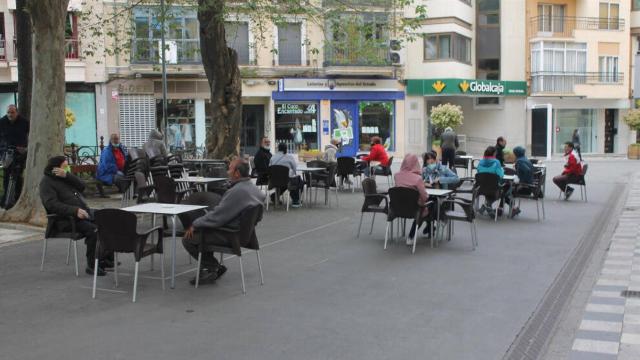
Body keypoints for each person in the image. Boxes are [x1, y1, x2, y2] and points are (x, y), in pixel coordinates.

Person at [182, 159, 266, 285]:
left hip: (231, 235)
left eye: (230, 169)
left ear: (237, 173)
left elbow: (217, 217)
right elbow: (257, 217)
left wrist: (195, 224)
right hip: (246, 234)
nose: (227, 172)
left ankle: (212, 267)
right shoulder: (255, 190)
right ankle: (211, 268)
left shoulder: (236, 191)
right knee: (205, 228)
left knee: (189, 238)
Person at [40, 156, 113, 276]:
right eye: (65, 165)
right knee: (93, 230)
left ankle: (105, 259)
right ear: (56, 168)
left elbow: (82, 187)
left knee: (107, 219)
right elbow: (52, 204)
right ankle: (92, 266)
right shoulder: (46, 183)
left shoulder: (64, 177)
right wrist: (74, 211)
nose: (67, 167)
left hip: (83, 212)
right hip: (65, 220)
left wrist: (67, 175)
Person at [394, 153, 432, 243]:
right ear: (416, 163)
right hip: (414, 209)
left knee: (423, 208)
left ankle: (429, 229)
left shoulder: (397, 176)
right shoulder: (418, 179)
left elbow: (398, 191)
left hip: (398, 208)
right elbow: (425, 196)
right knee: (430, 207)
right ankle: (412, 236)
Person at [0, 105, 29, 207]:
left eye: (12, 112)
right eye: (8, 112)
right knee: (6, 176)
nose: (10, 115)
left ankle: (17, 198)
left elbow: (31, 134)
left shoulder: (24, 122)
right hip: (6, 152)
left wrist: (26, 148)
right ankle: (5, 200)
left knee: (18, 175)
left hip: (20, 153)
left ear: (17, 112)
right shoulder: (2, 122)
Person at [269, 142, 304, 207]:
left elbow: (270, 168)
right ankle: (295, 201)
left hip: (273, 181)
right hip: (286, 181)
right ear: (286, 149)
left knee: (283, 182)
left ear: (278, 149)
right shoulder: (289, 157)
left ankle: (274, 196)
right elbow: (294, 168)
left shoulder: (272, 157)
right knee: (299, 180)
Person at [476, 146, 505, 216]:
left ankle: (488, 207)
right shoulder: (496, 162)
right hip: (494, 188)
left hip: (481, 188)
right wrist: (503, 170)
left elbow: (479, 172)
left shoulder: (480, 162)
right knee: (504, 190)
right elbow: (500, 175)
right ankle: (487, 205)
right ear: (494, 153)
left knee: (489, 185)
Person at [510, 146, 535, 217]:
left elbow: (527, 170)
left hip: (525, 187)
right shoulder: (525, 159)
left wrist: (522, 183)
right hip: (530, 186)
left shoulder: (520, 161)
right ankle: (513, 208)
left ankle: (514, 208)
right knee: (508, 189)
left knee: (506, 191)